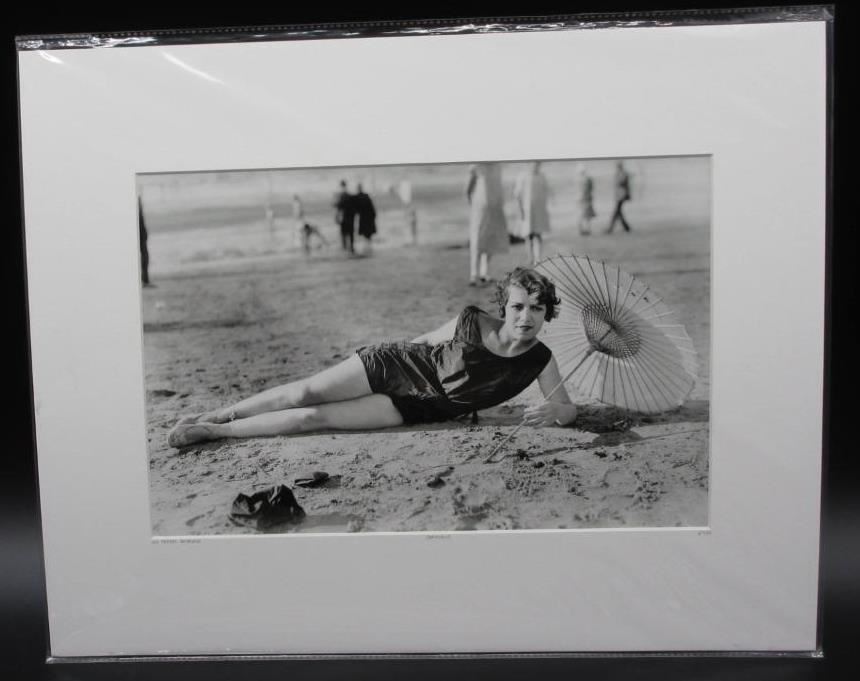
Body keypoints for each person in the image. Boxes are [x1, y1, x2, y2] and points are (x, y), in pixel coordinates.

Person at [166, 267, 577, 448]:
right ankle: (221, 414)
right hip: (396, 365)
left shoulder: (539, 360)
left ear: (547, 313)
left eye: (536, 309)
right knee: (304, 393)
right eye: (518, 306)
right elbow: (423, 341)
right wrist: (377, 358)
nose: (526, 317)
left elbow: (567, 409)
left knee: (314, 418)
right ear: (505, 305)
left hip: (416, 408)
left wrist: (555, 412)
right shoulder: (472, 320)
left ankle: (216, 432)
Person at [466, 162, 509, 286]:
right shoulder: (476, 165)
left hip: (495, 207)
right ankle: (473, 274)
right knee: (477, 238)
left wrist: (500, 203)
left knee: (490, 238)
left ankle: (484, 273)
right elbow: (468, 188)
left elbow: (499, 186)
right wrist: (473, 205)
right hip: (479, 207)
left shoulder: (497, 165)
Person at [513, 161, 552, 265]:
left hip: (539, 210)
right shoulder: (523, 176)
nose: (536, 166)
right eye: (533, 163)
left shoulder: (542, 176)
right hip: (527, 210)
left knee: (538, 234)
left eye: (538, 164)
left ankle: (537, 258)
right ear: (529, 164)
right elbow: (517, 195)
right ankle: (530, 257)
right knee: (528, 235)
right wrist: (520, 210)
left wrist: (546, 209)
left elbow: (546, 192)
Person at [606, 161, 633, 233]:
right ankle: (626, 227)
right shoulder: (620, 173)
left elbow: (621, 182)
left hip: (622, 196)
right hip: (619, 195)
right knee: (619, 212)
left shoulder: (623, 174)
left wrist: (617, 177)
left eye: (617, 166)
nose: (617, 168)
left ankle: (610, 228)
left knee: (617, 212)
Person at [334, 180, 356, 254]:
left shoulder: (341, 195)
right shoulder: (349, 195)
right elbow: (354, 207)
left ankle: (345, 248)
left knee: (344, 233)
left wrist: (337, 216)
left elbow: (338, 206)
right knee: (350, 233)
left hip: (344, 217)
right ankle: (351, 248)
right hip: (350, 217)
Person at [354, 183, 377, 255]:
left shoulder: (357, 197)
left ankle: (367, 248)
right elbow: (372, 208)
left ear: (358, 189)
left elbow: (356, 209)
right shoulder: (366, 196)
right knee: (368, 234)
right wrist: (373, 216)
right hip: (369, 217)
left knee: (365, 233)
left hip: (363, 218)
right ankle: (369, 247)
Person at [577, 165, 596, 236]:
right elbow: (591, 189)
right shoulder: (587, 179)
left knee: (583, 215)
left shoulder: (582, 179)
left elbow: (584, 191)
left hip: (584, 199)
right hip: (586, 199)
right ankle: (586, 229)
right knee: (587, 215)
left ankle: (583, 229)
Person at [138, 195, 152, 287]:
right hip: (140, 232)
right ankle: (144, 280)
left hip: (141, 232)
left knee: (144, 255)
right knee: (144, 255)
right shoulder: (136, 203)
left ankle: (144, 280)